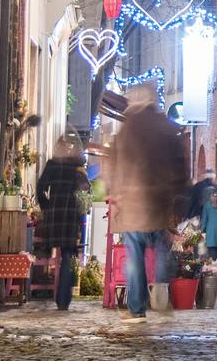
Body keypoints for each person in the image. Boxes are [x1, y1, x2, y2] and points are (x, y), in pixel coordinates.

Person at [103, 82, 189, 320]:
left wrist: (115, 191)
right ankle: (161, 292)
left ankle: (137, 308)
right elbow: (181, 165)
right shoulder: (166, 128)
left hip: (132, 205)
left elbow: (112, 165)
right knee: (162, 248)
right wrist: (179, 193)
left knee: (135, 257)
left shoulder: (126, 130)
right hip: (159, 203)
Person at [35, 135, 90, 311]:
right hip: (71, 216)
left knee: (56, 253)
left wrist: (46, 207)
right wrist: (82, 210)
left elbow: (40, 187)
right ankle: (63, 300)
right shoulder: (77, 167)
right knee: (68, 256)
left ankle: (47, 287)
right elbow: (85, 192)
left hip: (54, 215)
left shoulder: (53, 165)